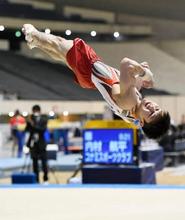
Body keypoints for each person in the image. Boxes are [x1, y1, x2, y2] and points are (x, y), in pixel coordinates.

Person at [22, 24, 170, 139]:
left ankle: (33, 33)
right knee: (62, 54)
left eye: (151, 114)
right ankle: (37, 43)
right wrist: (138, 79)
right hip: (91, 80)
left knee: (60, 43)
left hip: (91, 69)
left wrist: (144, 74)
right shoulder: (133, 114)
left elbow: (125, 64)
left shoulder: (130, 102)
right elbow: (125, 87)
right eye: (157, 109)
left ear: (143, 122)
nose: (152, 107)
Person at [25, 104, 49, 183]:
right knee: (34, 162)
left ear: (39, 111)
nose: (34, 113)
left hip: (41, 143)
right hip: (33, 144)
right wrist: (28, 123)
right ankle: (36, 179)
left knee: (44, 162)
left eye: (35, 111)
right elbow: (27, 130)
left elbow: (42, 130)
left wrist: (33, 124)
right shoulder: (31, 118)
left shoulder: (44, 119)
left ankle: (45, 178)